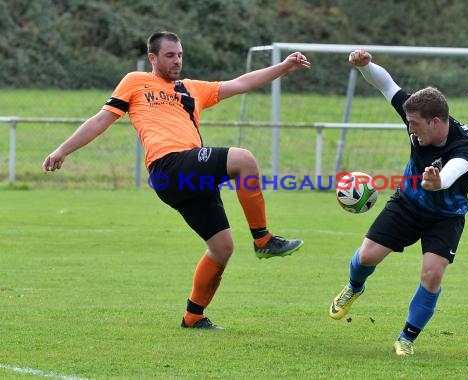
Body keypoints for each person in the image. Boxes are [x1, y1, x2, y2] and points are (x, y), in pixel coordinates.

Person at [42, 31, 310, 330]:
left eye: (180, 55)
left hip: (191, 177)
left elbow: (242, 82)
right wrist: (62, 150)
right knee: (244, 160)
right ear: (152, 57)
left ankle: (193, 316)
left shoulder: (192, 89)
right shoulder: (135, 81)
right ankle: (263, 239)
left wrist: (284, 66)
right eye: (170, 55)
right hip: (168, 167)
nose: (177, 60)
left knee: (222, 248)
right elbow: (100, 120)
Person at [329, 49, 468, 356]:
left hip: (446, 216)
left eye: (415, 124)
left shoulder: (464, 145)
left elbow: (454, 172)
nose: (410, 129)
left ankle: (407, 337)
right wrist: (365, 66)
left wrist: (438, 182)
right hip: (407, 203)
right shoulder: (417, 111)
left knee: (433, 273)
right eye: (408, 122)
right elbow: (387, 86)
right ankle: (354, 287)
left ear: (435, 122)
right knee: (367, 256)